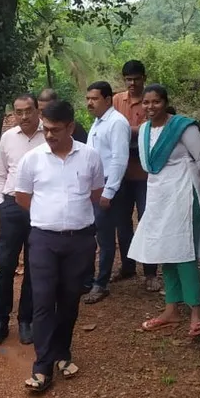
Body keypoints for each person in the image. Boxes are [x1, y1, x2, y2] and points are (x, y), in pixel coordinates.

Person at [14, 100, 104, 393]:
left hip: (80, 240)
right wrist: (48, 216)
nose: (49, 135)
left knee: (69, 300)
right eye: (46, 129)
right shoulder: (32, 159)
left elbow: (96, 193)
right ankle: (42, 367)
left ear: (71, 127)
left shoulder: (90, 156)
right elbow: (22, 197)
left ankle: (63, 353)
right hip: (43, 239)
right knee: (42, 301)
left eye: (55, 130)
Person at [128, 85, 200, 337]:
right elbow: (149, 165)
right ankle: (171, 309)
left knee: (184, 250)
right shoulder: (144, 130)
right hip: (159, 194)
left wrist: (187, 180)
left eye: (156, 102)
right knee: (165, 249)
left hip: (183, 193)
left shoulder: (183, 127)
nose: (150, 107)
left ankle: (196, 311)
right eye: (146, 102)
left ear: (165, 102)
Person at [0, 93, 45, 346]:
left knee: (34, 265)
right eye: (18, 112)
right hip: (11, 205)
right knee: (6, 265)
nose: (24, 116)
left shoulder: (48, 135)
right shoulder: (8, 137)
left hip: (40, 207)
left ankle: (26, 320)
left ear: (38, 111)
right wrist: (0, 203)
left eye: (28, 110)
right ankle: (1, 320)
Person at [81, 81, 130, 304]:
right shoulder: (98, 122)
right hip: (95, 186)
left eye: (95, 98)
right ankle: (93, 279)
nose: (90, 103)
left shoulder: (116, 123)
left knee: (105, 236)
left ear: (108, 100)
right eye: (88, 99)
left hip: (109, 185)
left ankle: (101, 284)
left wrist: (109, 192)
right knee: (98, 233)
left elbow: (119, 159)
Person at [111, 60, 158, 290]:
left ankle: (150, 272)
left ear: (144, 78)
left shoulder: (151, 100)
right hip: (120, 173)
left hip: (145, 174)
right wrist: (134, 131)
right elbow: (109, 128)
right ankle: (128, 266)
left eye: (136, 79)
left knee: (147, 220)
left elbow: (152, 130)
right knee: (122, 223)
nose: (132, 83)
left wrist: (123, 131)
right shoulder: (116, 100)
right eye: (128, 79)